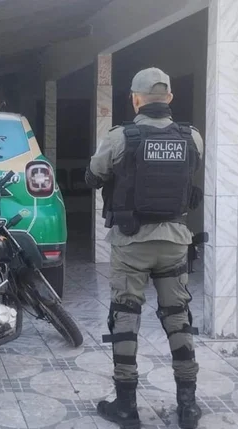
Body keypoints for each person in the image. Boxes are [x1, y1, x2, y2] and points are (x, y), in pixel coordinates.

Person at [85, 67, 203, 429]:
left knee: (125, 320)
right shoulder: (192, 137)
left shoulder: (121, 137)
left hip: (131, 243)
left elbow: (93, 176)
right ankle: (188, 407)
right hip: (174, 242)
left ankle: (126, 407)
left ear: (135, 99)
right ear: (169, 98)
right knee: (178, 318)